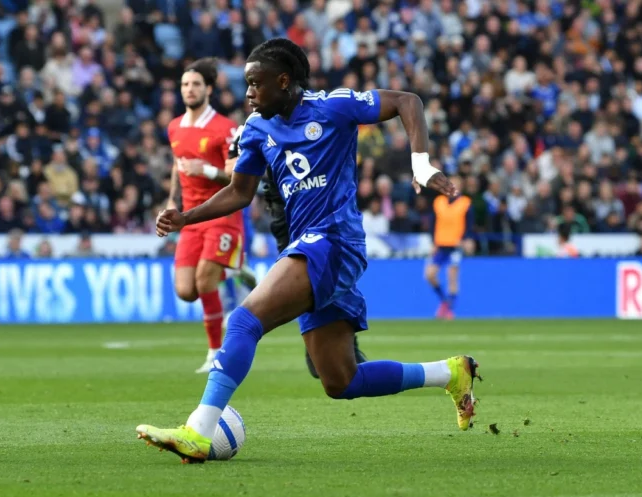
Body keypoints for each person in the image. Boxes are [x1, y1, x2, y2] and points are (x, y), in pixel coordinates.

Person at [137, 39, 480, 463]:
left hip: (334, 241)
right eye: (245, 85)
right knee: (341, 381)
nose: (247, 94)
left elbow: (407, 101)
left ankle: (199, 430)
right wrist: (186, 217)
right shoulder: (257, 130)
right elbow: (239, 192)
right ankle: (450, 373)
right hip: (313, 247)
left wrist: (421, 163)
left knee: (245, 320)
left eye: (255, 84)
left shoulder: (333, 107)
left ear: (284, 81)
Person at [226, 123, 368, 378]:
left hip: (321, 222)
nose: (253, 92)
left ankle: (343, 342)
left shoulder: (315, 118)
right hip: (285, 223)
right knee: (326, 370)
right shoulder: (250, 129)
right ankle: (334, 346)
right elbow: (232, 169)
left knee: (247, 321)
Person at [166, 58, 256, 373]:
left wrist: (204, 169)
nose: (189, 90)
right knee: (186, 291)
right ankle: (234, 270)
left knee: (205, 280)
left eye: (195, 84)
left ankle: (215, 353)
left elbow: (235, 177)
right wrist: (169, 201)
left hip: (220, 212)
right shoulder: (174, 127)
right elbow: (177, 168)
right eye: (185, 85)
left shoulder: (226, 129)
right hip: (190, 218)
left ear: (207, 89)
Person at [424, 175, 471, 319]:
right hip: (440, 244)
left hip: (455, 245)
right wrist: (433, 242)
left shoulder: (465, 203)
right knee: (430, 274)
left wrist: (466, 240)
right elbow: (433, 224)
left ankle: (449, 310)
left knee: (452, 275)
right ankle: (445, 301)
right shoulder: (439, 202)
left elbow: (469, 224)